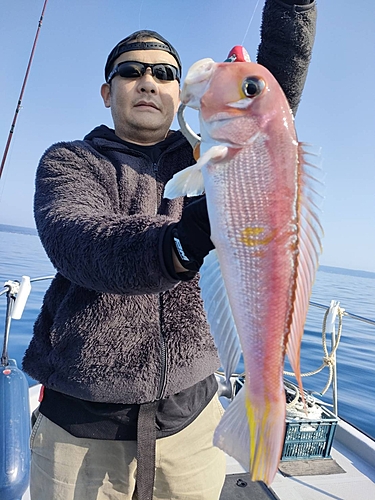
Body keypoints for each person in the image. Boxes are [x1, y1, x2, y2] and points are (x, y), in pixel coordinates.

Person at [23, 1, 317, 499]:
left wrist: (296, 6)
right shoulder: (70, 161)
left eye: (163, 73)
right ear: (106, 91)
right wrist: (182, 238)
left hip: (192, 424)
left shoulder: (210, 153)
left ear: (182, 93)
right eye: (130, 71)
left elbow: (274, 84)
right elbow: (79, 242)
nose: (147, 81)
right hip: (79, 432)